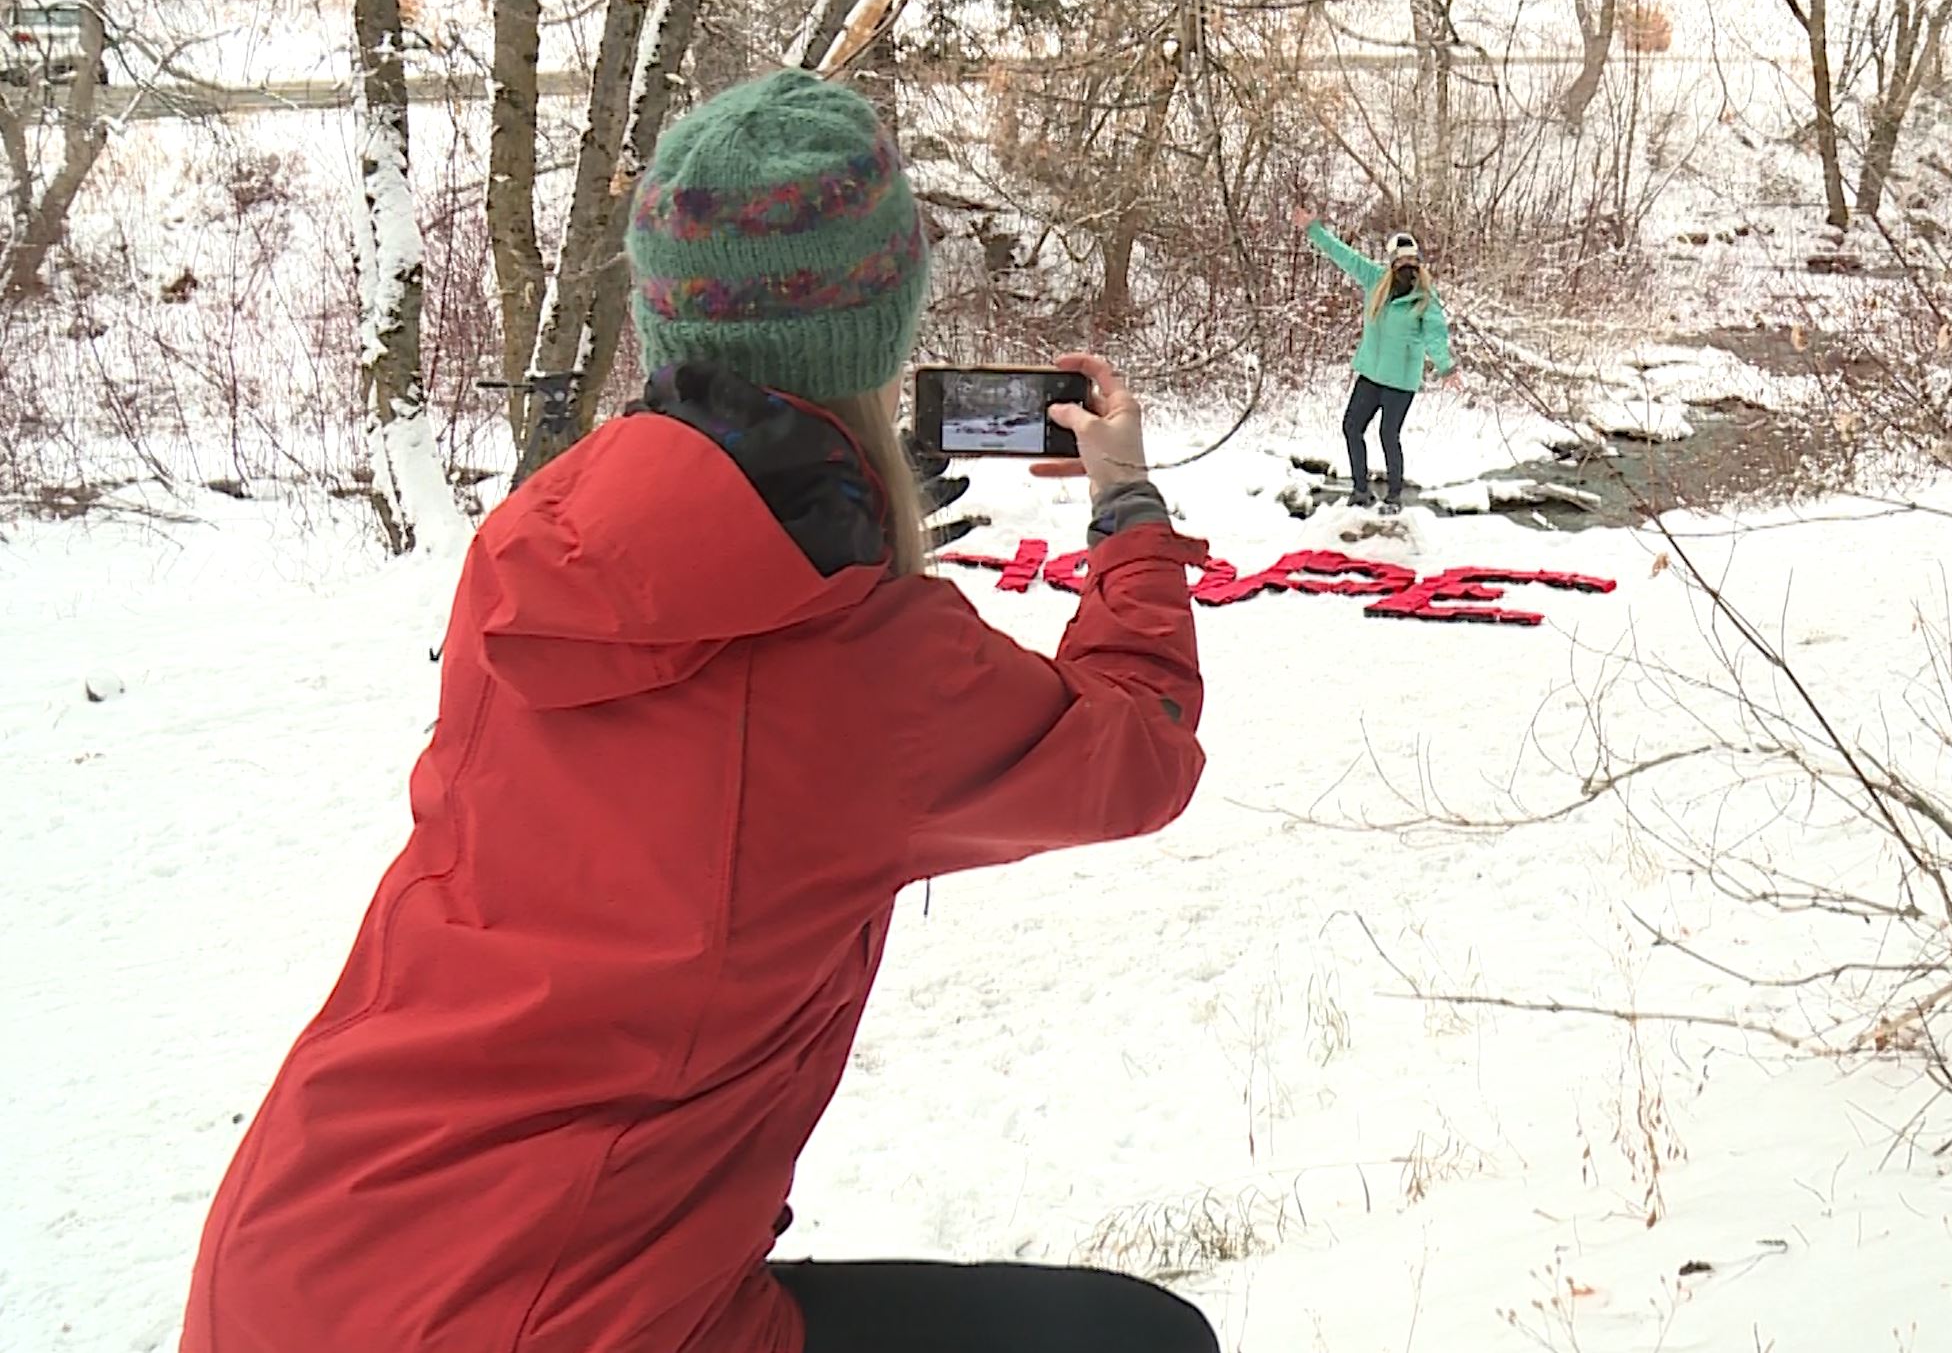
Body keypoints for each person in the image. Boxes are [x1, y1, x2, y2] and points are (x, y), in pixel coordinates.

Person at [180, 70, 1218, 1353]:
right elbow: (1141, 747)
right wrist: (1126, 507)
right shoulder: (866, 662)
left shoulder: (535, 545)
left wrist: (862, 512)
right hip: (554, 1318)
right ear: (882, 337)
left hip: (295, 1262)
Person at [1293, 209, 1457, 510]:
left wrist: (1446, 366)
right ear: (1393, 262)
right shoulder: (1376, 279)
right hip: (1371, 374)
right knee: (1352, 427)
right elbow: (1342, 255)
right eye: (1402, 261)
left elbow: (1435, 335)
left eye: (1413, 262)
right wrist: (1313, 229)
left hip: (1400, 380)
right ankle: (1360, 490)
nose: (1408, 266)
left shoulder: (1425, 297)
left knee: (1388, 435)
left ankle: (1394, 496)